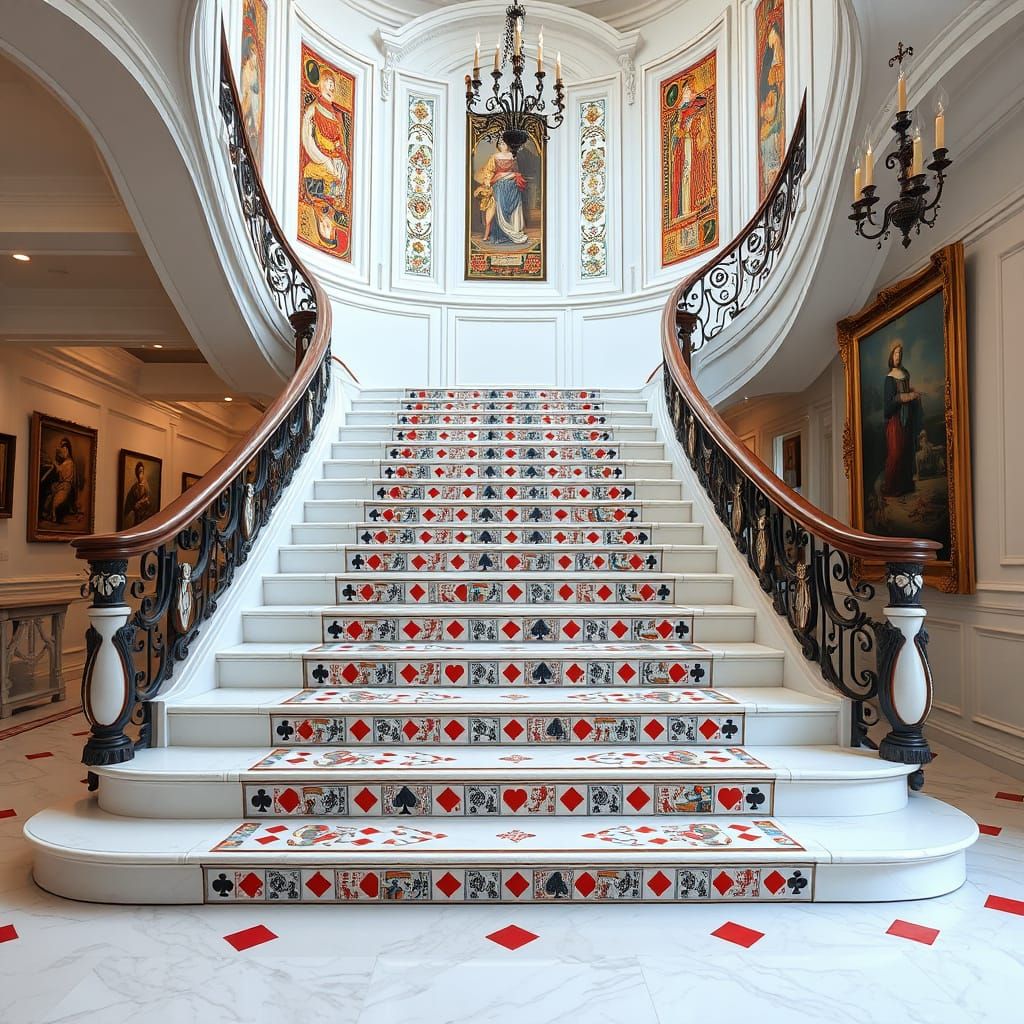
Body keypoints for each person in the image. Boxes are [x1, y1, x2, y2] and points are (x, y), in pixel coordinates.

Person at [301, 67, 350, 248]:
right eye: (327, 85)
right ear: (319, 86)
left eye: (333, 86)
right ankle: (329, 201)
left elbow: (339, 142)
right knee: (321, 176)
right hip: (319, 158)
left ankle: (334, 199)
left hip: (334, 158)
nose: (330, 89)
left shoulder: (336, 115)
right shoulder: (312, 110)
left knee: (341, 169)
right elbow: (307, 140)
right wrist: (323, 159)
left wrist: (338, 152)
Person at [882, 341, 923, 496]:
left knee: (907, 451)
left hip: (907, 418)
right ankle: (892, 488)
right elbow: (889, 403)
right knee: (896, 453)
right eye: (896, 353)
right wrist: (908, 396)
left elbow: (906, 391)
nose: (898, 356)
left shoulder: (905, 373)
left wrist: (913, 394)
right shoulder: (889, 378)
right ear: (891, 355)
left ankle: (905, 486)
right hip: (895, 421)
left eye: (900, 353)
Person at [670, 78, 713, 221]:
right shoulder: (681, 110)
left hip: (692, 145)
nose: (688, 92)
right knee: (685, 175)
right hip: (685, 146)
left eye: (689, 89)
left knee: (691, 173)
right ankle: (685, 208)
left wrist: (689, 129)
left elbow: (700, 126)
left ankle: (693, 205)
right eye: (686, 89)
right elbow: (677, 130)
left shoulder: (698, 105)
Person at [473, 139, 530, 246]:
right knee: (500, 208)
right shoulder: (494, 157)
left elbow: (516, 171)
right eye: (499, 143)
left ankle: (514, 231)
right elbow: (489, 171)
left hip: (512, 185)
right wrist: (488, 181)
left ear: (508, 145)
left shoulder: (513, 156)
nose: (501, 145)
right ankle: (502, 234)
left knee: (514, 208)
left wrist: (511, 175)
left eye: (503, 143)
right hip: (499, 185)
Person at [41, 437, 78, 523]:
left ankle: (54, 516)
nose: (63, 450)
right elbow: (58, 470)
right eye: (62, 447)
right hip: (60, 485)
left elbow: (60, 470)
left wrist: (54, 463)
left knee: (55, 503)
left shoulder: (70, 462)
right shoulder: (64, 462)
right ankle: (47, 514)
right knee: (49, 497)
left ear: (68, 450)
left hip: (65, 486)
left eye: (64, 448)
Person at [122, 460, 153, 527]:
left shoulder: (146, 485)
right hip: (136, 516)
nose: (140, 474)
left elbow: (148, 498)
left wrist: (142, 502)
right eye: (138, 472)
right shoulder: (134, 488)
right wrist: (135, 506)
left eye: (141, 471)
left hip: (144, 516)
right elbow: (129, 504)